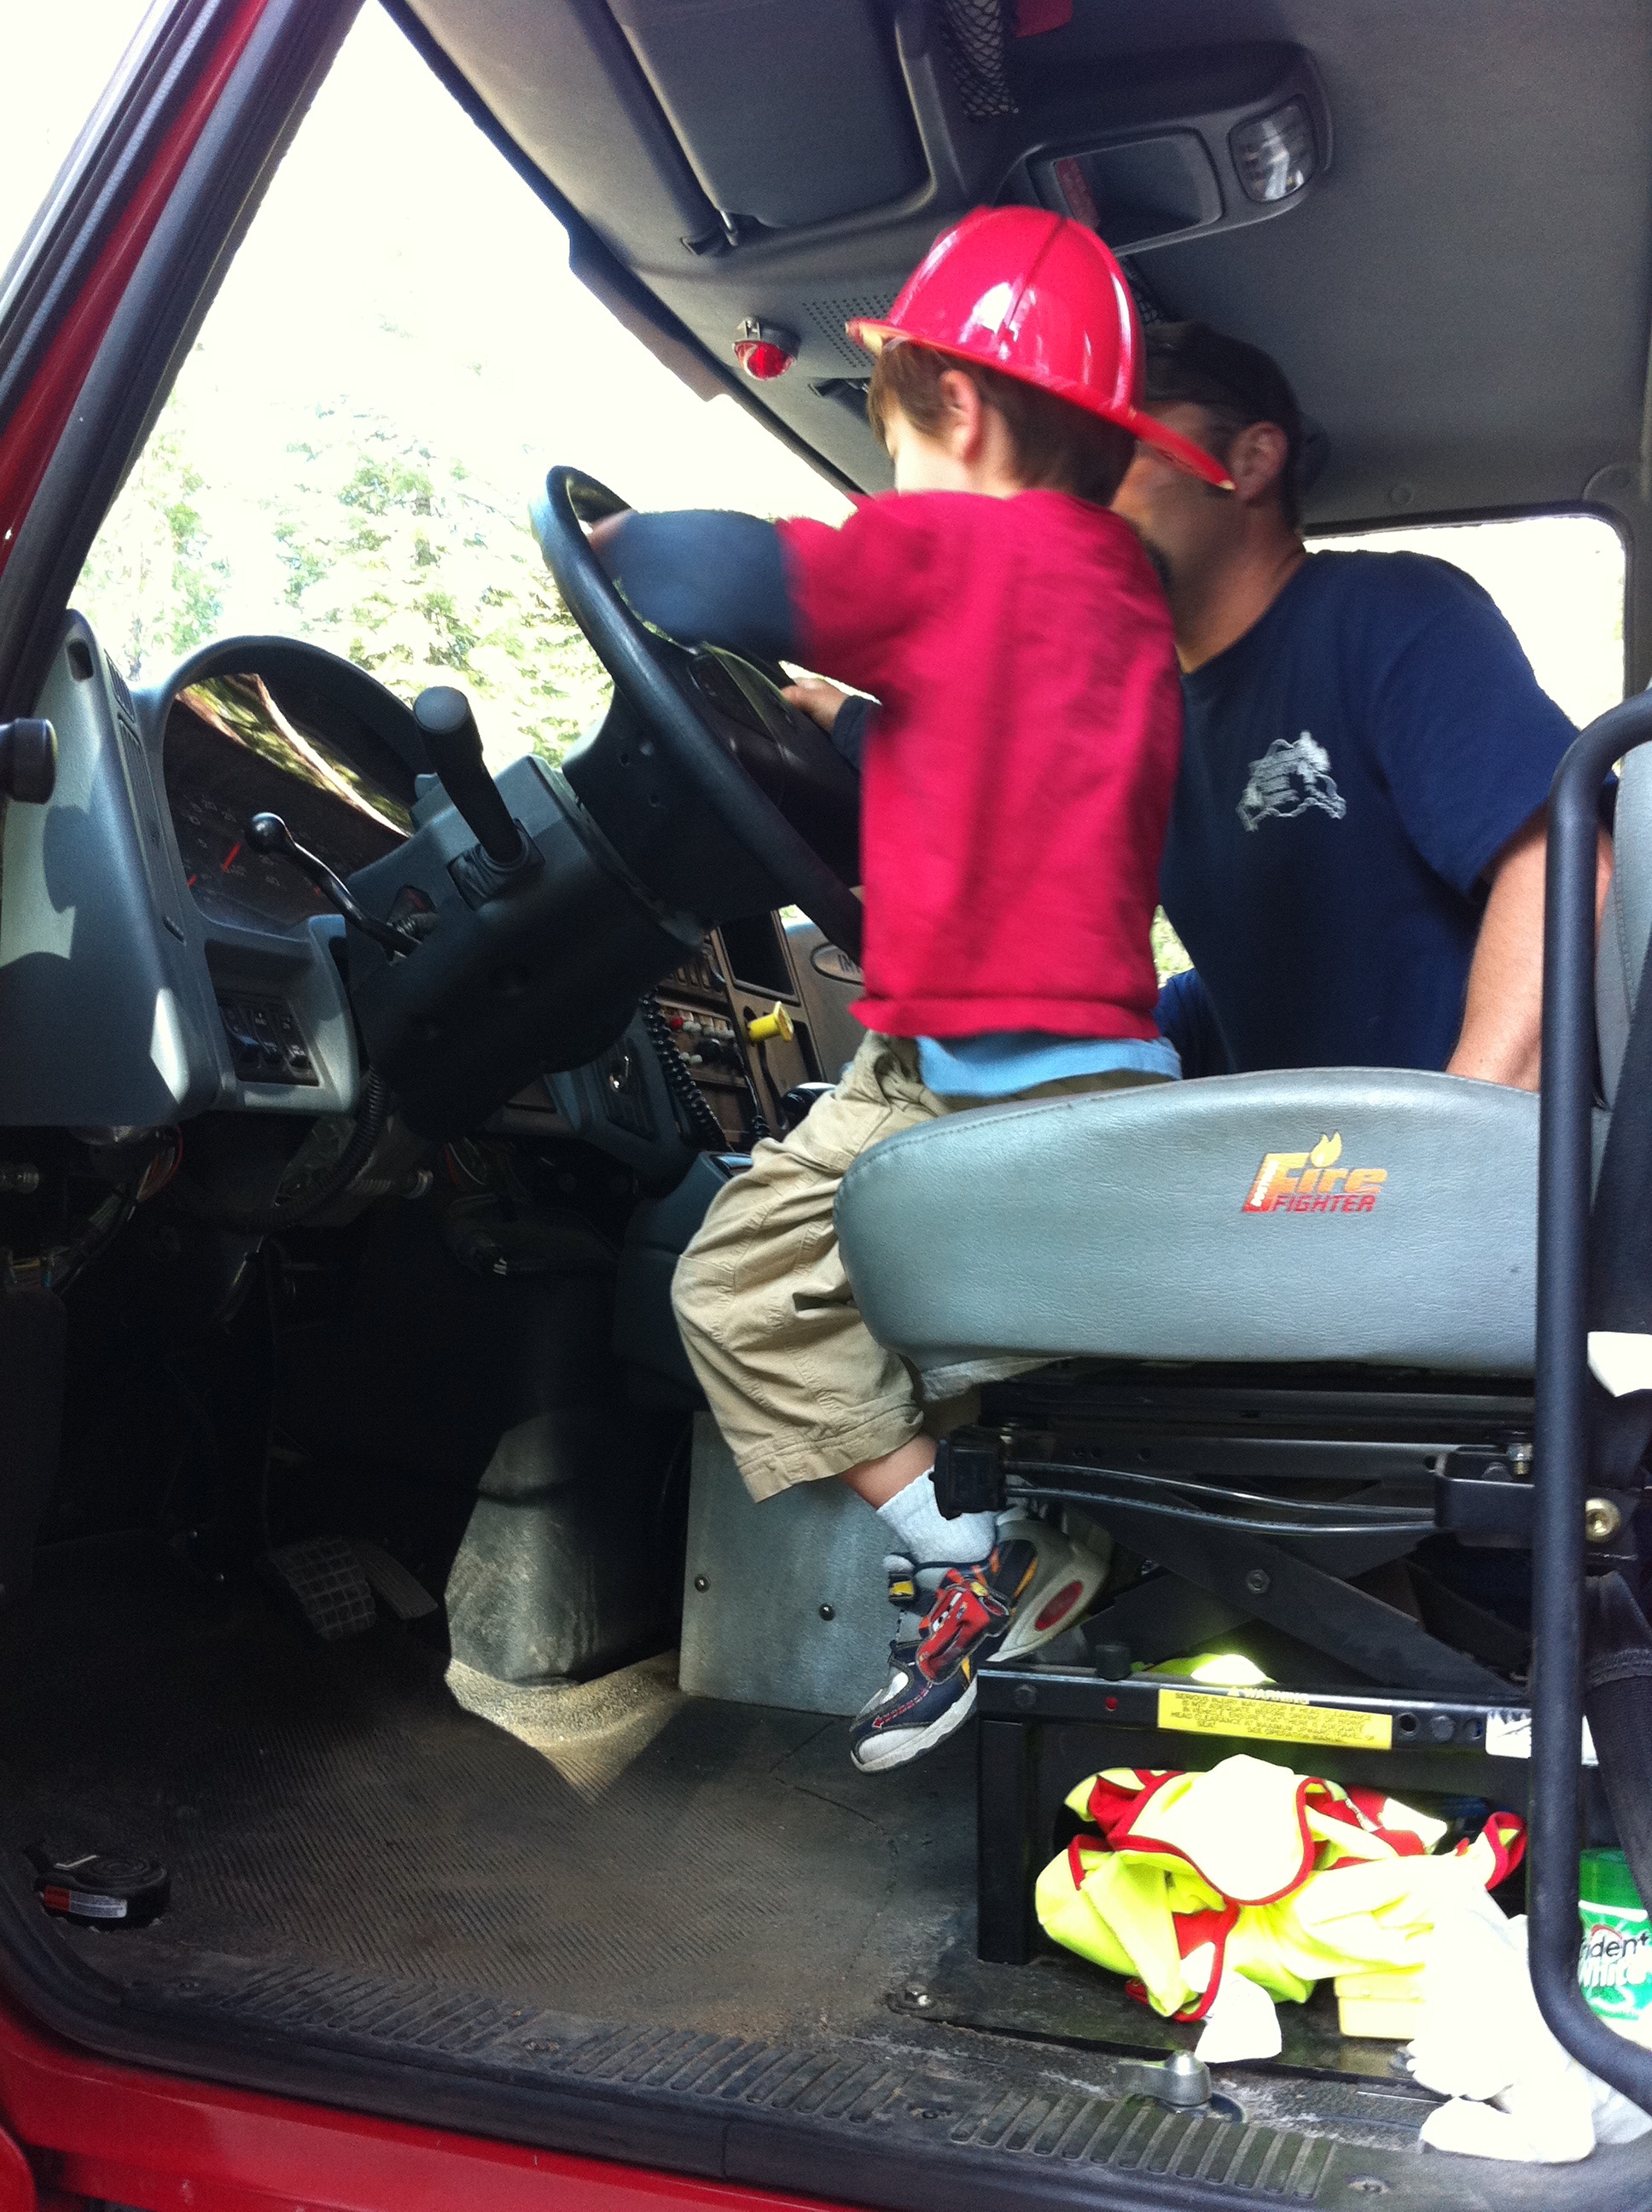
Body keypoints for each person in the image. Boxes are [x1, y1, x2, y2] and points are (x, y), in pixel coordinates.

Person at [590, 207, 1232, 1772]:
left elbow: (726, 566)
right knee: (817, 1237)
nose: (890, 476)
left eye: (889, 434)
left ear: (952, 404)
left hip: (982, 1075)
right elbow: (1009, 756)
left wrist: (604, 546)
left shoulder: (961, 552)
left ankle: (964, 1552)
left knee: (731, 1284)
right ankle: (1016, 1532)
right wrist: (843, 717)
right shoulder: (1111, 595)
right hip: (1070, 1057)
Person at [1108, 321, 1614, 1086]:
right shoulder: (1145, 718)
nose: (1089, 489)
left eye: (1124, 446)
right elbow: (1265, 976)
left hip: (1431, 1176)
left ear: (1249, 461)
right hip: (1294, 1182)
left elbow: (1570, 870)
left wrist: (1456, 1149)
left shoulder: (1387, 616)